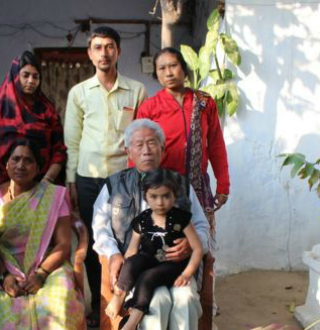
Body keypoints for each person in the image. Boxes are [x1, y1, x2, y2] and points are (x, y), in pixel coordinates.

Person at [64, 26, 147, 326]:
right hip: (88, 178)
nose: (103, 52)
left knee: (126, 242)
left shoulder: (136, 91)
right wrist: (72, 180)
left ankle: (123, 299)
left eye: (109, 46)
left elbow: (140, 136)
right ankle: (98, 308)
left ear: (118, 51)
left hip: (124, 180)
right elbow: (72, 141)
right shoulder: (79, 93)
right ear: (89, 53)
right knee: (92, 244)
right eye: (97, 47)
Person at [93, 119, 210, 329]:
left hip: (176, 267)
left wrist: (191, 243)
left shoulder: (181, 184)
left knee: (185, 299)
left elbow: (202, 226)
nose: (146, 150)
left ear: (162, 149)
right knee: (158, 301)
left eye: (152, 143)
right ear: (129, 152)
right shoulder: (114, 185)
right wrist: (113, 253)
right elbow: (100, 228)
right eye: (139, 145)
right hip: (137, 271)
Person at [0, 138, 84, 329]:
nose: (21, 165)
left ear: (38, 167)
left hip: (48, 266)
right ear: (6, 164)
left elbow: (63, 244)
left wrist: (41, 274)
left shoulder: (53, 195)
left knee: (61, 297)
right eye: (15, 159)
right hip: (3, 268)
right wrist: (4, 276)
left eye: (28, 160)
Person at [136, 47, 230, 226]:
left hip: (198, 187)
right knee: (168, 246)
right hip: (163, 188)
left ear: (184, 69)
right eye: (161, 68)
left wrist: (223, 185)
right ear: (156, 74)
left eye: (173, 65)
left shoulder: (204, 102)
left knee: (200, 243)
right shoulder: (149, 108)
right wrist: (141, 189)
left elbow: (216, 145)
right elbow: (138, 152)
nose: (168, 72)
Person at [105, 169, 204, 330]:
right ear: (146, 197)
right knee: (134, 262)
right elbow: (132, 250)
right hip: (151, 259)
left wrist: (187, 274)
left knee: (148, 277)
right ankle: (119, 294)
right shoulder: (143, 219)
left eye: (166, 196)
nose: (160, 202)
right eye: (154, 197)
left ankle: (132, 321)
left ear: (174, 195)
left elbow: (197, 249)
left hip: (175, 265)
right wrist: (125, 271)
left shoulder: (181, 218)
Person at [0, 51, 66, 186]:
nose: (31, 81)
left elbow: (59, 150)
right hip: (3, 187)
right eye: (25, 75)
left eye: (35, 77)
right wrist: (1, 187)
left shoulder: (47, 111)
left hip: (41, 186)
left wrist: (47, 181)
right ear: (15, 76)